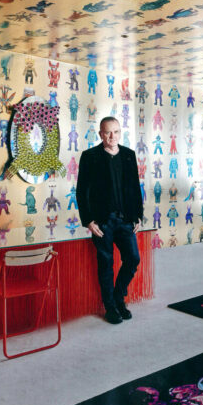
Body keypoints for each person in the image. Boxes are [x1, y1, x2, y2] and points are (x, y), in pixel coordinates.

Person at [76, 117, 143, 324]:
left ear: (120, 133)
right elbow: (81, 191)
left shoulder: (129, 155)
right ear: (100, 134)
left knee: (133, 258)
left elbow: (135, 188)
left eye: (116, 132)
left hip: (125, 219)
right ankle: (110, 307)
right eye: (107, 132)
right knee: (106, 264)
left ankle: (118, 297)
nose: (112, 136)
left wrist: (138, 215)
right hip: (102, 222)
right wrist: (88, 221)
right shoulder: (90, 156)